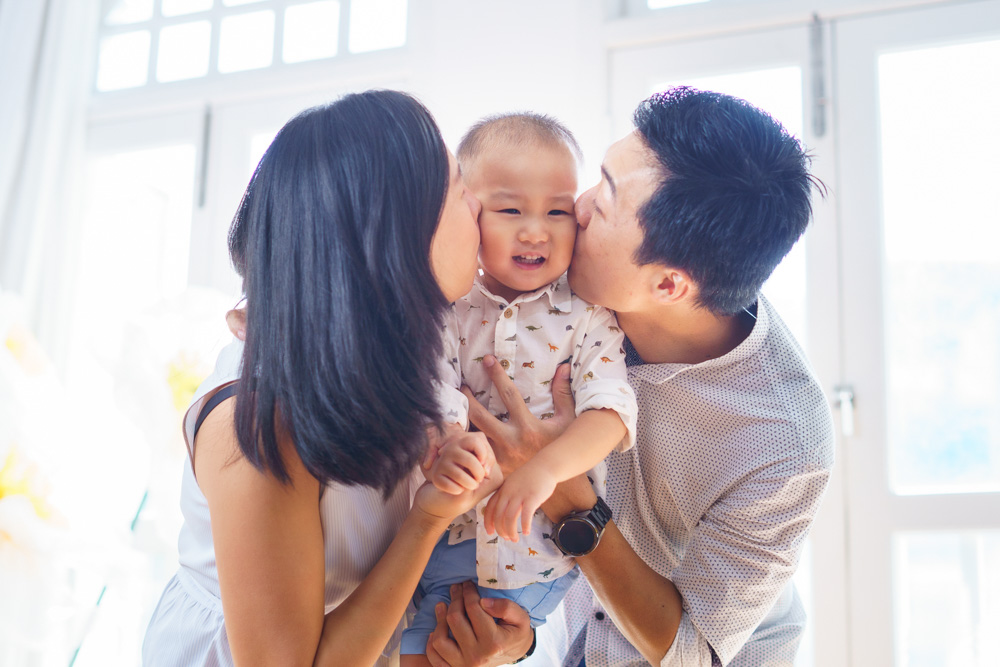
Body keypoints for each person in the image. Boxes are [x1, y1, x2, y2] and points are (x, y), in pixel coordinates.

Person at [423, 87, 835, 667]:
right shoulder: (576, 284)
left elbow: (692, 654)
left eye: (606, 202)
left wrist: (565, 490)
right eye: (599, 178)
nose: (578, 206)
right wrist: (525, 636)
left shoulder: (784, 442)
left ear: (668, 285)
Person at [141, 90, 537, 667]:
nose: (478, 206)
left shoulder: (415, 362)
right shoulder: (251, 421)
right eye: (456, 189)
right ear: (395, 233)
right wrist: (430, 516)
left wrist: (509, 639)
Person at [400, 113, 638, 666]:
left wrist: (545, 469)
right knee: (417, 652)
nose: (537, 230)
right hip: (443, 543)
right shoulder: (449, 309)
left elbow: (611, 412)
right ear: (468, 213)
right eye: (510, 210)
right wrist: (450, 437)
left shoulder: (588, 315)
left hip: (534, 561)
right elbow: (430, 383)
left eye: (558, 210)